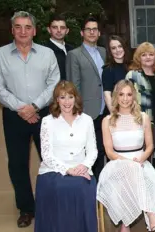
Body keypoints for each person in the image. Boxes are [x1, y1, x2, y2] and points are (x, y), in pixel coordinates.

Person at [0, 11, 60, 228]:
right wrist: (22, 108)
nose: (23, 31)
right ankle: (26, 209)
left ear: (34, 30)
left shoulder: (47, 54)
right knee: (18, 164)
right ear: (12, 30)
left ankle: (52, 206)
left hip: (44, 115)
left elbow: (54, 83)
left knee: (50, 161)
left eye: (27, 27)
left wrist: (35, 106)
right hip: (14, 116)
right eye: (18, 27)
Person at [33, 81, 105, 232]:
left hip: (81, 168)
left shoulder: (87, 120)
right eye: (62, 97)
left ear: (76, 98)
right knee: (61, 187)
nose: (67, 102)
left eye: (70, 97)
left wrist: (84, 166)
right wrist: (68, 170)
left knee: (82, 186)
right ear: (56, 100)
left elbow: (93, 150)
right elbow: (47, 155)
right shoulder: (47, 122)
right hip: (53, 169)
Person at [96, 80, 155, 232]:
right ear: (115, 97)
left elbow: (150, 146)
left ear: (133, 96)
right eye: (121, 94)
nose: (125, 99)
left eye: (128, 94)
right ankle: (150, 213)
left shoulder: (143, 117)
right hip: (116, 163)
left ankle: (125, 224)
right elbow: (109, 151)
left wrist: (141, 158)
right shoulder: (107, 120)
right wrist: (127, 162)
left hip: (140, 161)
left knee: (138, 172)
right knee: (129, 170)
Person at [66, 16, 106, 181]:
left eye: (94, 29)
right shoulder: (74, 55)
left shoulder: (103, 51)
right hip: (88, 112)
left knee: (103, 152)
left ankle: (102, 192)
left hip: (106, 110)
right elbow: (73, 87)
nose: (92, 32)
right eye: (88, 29)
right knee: (89, 154)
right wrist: (78, 112)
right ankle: (90, 191)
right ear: (82, 33)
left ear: (99, 33)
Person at [125, 42, 155, 174]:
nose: (148, 57)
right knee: (144, 158)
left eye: (151, 54)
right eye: (144, 55)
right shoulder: (132, 75)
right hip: (141, 122)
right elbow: (126, 101)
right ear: (138, 57)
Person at [102, 35, 131, 116]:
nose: (118, 50)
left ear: (124, 47)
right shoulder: (108, 70)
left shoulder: (131, 66)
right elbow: (107, 95)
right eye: (113, 48)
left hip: (132, 111)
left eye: (120, 46)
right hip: (116, 111)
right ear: (110, 51)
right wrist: (114, 115)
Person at [44, 13, 73, 80]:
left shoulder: (72, 50)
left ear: (67, 31)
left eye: (62, 28)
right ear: (49, 30)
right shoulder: (44, 51)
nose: (59, 30)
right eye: (55, 27)